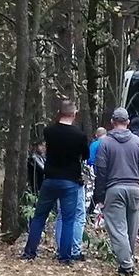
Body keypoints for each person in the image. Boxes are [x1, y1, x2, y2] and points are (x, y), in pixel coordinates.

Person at [22, 100, 89, 264]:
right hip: (70, 181)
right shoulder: (79, 135)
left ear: (59, 113)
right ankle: (65, 257)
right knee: (68, 219)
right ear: (74, 114)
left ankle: (30, 251)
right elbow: (85, 155)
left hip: (50, 179)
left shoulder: (49, 131)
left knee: (39, 217)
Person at [94, 108, 139, 276]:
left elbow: (101, 172)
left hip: (114, 188)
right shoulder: (138, 142)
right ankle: (129, 259)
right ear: (128, 122)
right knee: (132, 229)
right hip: (134, 188)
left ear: (112, 121)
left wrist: (100, 195)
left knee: (117, 229)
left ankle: (126, 265)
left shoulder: (105, 143)